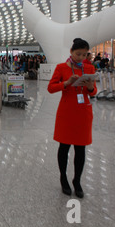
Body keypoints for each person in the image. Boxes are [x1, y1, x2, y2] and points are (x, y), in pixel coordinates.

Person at [47, 38, 97, 198]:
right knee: (64, 147)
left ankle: (77, 180)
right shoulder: (61, 67)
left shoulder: (89, 68)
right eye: (78, 54)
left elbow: (93, 91)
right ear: (71, 52)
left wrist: (90, 87)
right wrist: (67, 82)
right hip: (67, 112)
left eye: (84, 54)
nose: (81, 57)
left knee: (81, 148)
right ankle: (63, 178)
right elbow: (51, 88)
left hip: (83, 112)